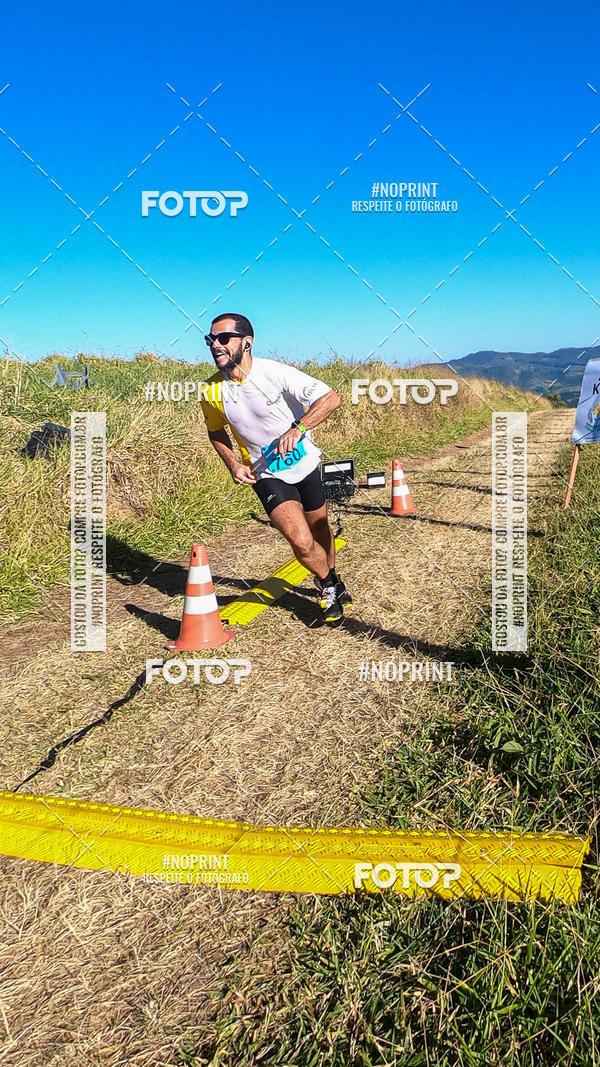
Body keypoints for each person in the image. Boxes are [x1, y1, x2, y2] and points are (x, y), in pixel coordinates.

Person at [200, 312, 352, 622]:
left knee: (320, 530)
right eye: (210, 339)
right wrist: (232, 463)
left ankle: (332, 577)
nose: (215, 344)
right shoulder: (211, 390)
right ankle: (327, 584)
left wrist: (298, 428)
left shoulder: (276, 373)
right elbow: (215, 431)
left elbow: (330, 398)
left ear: (247, 342)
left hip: (305, 464)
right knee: (299, 538)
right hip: (266, 474)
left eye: (223, 338)